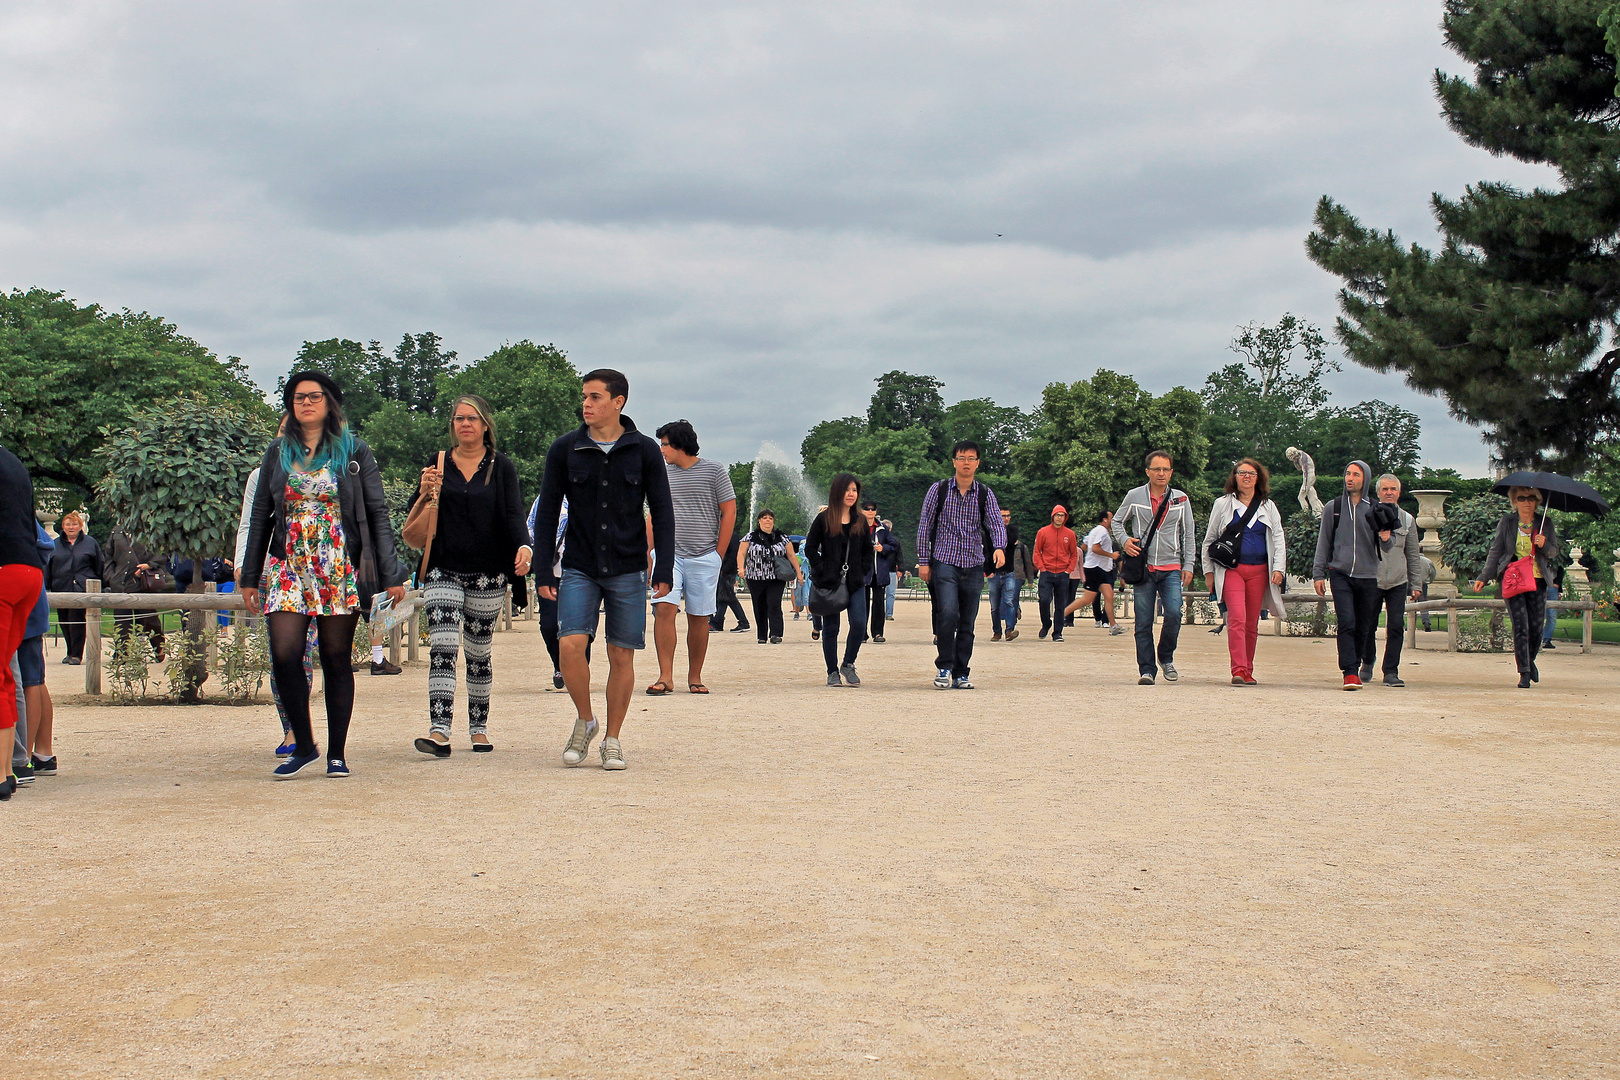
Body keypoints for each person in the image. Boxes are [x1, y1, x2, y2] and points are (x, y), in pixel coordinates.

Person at [240, 371, 407, 780]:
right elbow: (261, 512)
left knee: (335, 658)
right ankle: (304, 743)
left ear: (330, 403)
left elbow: (377, 514)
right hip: (287, 565)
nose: (306, 404)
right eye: (298, 398)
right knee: (283, 654)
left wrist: (390, 573)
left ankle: (337, 753)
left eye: (314, 397)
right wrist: (248, 574)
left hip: (337, 565)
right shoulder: (277, 451)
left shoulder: (354, 452)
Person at [533, 369, 675, 771]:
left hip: (629, 566)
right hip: (578, 564)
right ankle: (585, 719)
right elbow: (546, 513)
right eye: (584, 397)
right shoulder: (564, 449)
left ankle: (612, 739)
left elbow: (662, 512)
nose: (586, 404)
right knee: (569, 646)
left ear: (619, 402)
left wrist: (662, 564)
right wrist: (544, 569)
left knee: (620, 655)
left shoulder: (645, 450)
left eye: (595, 397)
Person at [409, 394, 532, 757]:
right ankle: (440, 730)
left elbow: (513, 513)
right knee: (443, 649)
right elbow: (416, 513)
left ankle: (478, 726)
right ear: (453, 425)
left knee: (478, 652)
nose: (466, 424)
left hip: (488, 573)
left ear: (485, 425)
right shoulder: (438, 462)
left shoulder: (501, 466)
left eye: (473, 419)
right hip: (442, 569)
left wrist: (524, 547)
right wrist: (425, 490)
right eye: (460, 419)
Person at [648, 420, 734, 696]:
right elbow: (652, 515)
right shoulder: (660, 473)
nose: (661, 450)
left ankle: (695, 676)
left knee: (699, 617)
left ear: (679, 444)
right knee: (664, 608)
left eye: (664, 444)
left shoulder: (714, 470)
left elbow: (729, 512)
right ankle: (665, 676)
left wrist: (718, 555)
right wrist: (649, 552)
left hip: (703, 555)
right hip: (668, 554)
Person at [236, 461, 317, 756]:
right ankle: (292, 729)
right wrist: (244, 566)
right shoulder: (262, 474)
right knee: (283, 655)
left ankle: (301, 731)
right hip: (278, 572)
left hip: (321, 572)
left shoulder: (331, 468)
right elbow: (251, 522)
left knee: (305, 652)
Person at [917, 441, 1007, 689]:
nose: (966, 462)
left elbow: (996, 523)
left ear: (978, 463)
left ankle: (961, 672)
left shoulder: (985, 494)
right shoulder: (939, 490)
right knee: (946, 614)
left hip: (973, 563)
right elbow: (925, 526)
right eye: (961, 457)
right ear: (954, 461)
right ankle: (944, 666)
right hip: (945, 560)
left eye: (971, 458)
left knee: (967, 620)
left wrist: (999, 546)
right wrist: (924, 561)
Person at [1200, 459, 1287, 685]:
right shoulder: (1223, 504)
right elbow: (1209, 539)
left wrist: (1278, 568)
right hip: (1232, 570)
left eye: (1251, 473)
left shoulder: (1268, 506)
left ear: (1259, 478)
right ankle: (1238, 669)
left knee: (1251, 623)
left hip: (1260, 571)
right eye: (1241, 473)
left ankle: (1249, 669)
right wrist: (1208, 572)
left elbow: (1278, 538)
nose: (1246, 477)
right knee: (1236, 619)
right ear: (1234, 477)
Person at [1114, 450, 1198, 685]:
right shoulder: (1134, 495)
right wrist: (1125, 541)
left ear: (1171, 472)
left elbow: (1188, 533)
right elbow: (1117, 522)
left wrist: (1189, 564)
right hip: (1145, 567)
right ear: (1147, 471)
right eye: (1156, 469)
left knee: (1173, 613)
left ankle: (1166, 656)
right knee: (1143, 621)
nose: (1161, 473)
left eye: (1166, 469)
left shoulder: (1181, 499)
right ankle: (1146, 669)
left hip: (1171, 566)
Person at [1311, 459, 1390, 691]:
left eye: (1355, 474)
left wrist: (1387, 538)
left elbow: (1386, 546)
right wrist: (1318, 573)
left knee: (1364, 624)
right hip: (1340, 573)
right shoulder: (1333, 508)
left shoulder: (1376, 509)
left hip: (1368, 575)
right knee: (1347, 621)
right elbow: (1323, 542)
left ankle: (1358, 663)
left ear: (1364, 479)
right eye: (1347, 473)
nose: (1350, 478)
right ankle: (1350, 672)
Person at [1473, 486, 1562, 689]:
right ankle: (1524, 672)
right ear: (1515, 501)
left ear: (1537, 501)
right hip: (1513, 579)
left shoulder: (1545, 523)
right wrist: (1484, 576)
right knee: (1521, 625)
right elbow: (1496, 550)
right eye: (1521, 498)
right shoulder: (1508, 522)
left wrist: (1543, 544)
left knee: (1537, 628)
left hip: (1537, 580)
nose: (1526, 502)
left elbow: (1553, 552)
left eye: (1531, 498)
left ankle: (1529, 660)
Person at [0, 444, 47, 800]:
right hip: (28, 572)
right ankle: (10, 767)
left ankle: (6, 770)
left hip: (2, 571)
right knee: (6, 672)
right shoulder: (14, 461)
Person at [806, 474, 874, 686]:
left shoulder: (860, 520)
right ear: (837, 492)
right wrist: (821, 568)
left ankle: (848, 663)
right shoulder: (824, 519)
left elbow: (866, 550)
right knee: (831, 627)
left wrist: (862, 570)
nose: (851, 494)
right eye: (847, 490)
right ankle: (832, 671)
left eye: (854, 490)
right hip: (830, 581)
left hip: (854, 581)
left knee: (859, 624)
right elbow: (810, 547)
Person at [1367, 474, 1423, 687]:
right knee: (1368, 625)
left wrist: (1416, 583)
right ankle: (1367, 660)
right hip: (1372, 578)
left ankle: (1391, 671)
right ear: (1378, 492)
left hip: (1398, 581)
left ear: (1399, 492)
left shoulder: (1408, 520)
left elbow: (1413, 555)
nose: (1389, 492)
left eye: (1393, 489)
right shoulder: (1368, 515)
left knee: (1396, 626)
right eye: (1385, 489)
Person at [105, 524, 168, 663]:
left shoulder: (150, 528)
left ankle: (159, 647)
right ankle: (122, 652)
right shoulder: (116, 531)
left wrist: (149, 565)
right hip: (120, 582)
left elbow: (163, 554)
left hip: (142, 583)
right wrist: (111, 576)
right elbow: (109, 556)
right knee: (122, 621)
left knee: (149, 619)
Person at [737, 510, 802, 644]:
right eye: (764, 518)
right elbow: (741, 553)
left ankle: (776, 633)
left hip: (776, 576)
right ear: (759, 521)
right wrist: (740, 568)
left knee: (774, 603)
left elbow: (791, 555)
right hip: (755, 577)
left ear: (773, 521)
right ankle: (762, 634)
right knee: (759, 605)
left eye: (770, 518)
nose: (767, 520)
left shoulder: (782, 537)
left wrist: (798, 572)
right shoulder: (750, 537)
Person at [48, 510, 101, 666]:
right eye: (67, 524)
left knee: (76, 619)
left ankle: (77, 654)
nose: (71, 527)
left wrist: (101, 584)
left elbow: (99, 564)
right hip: (61, 586)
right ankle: (69, 651)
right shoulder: (55, 544)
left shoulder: (90, 543)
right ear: (63, 527)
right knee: (64, 620)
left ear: (80, 526)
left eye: (74, 524)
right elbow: (48, 565)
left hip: (82, 587)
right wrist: (47, 586)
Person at [1062, 509, 1125, 635]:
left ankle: (1113, 626)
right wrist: (1111, 555)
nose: (1113, 520)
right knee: (1087, 599)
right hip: (1095, 569)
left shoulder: (1096, 531)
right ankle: (1060, 615)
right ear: (1105, 519)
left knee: (1109, 596)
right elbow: (1095, 548)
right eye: (1111, 518)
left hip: (1102, 569)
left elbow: (1085, 546)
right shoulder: (1101, 531)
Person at [1032, 505, 1077, 641]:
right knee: (1044, 600)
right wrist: (1042, 567)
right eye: (1057, 515)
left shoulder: (1070, 534)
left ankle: (1057, 632)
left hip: (1063, 573)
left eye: (1062, 515)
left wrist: (1068, 569)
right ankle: (1046, 623)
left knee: (1060, 604)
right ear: (1052, 516)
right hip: (1047, 571)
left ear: (1065, 517)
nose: (1059, 518)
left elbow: (1074, 554)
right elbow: (1036, 552)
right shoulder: (1043, 532)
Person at [863, 500, 895, 643]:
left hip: (879, 571)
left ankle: (877, 633)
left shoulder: (883, 528)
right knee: (861, 604)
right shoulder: (856, 526)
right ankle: (861, 633)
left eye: (873, 509)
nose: (870, 511)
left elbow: (893, 545)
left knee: (878, 603)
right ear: (862, 510)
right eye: (867, 509)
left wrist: (883, 549)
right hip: (862, 571)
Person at [987, 507, 1021, 641]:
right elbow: (988, 552)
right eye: (1003, 516)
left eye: (1008, 516)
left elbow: (1010, 540)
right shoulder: (990, 532)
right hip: (994, 573)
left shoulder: (1012, 530)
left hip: (1008, 573)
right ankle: (997, 631)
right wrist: (988, 571)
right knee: (994, 606)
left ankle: (1009, 630)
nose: (1006, 518)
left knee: (1009, 602)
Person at [709, 529, 750, 634]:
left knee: (729, 597)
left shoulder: (732, 536)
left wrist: (724, 569)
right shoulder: (725, 534)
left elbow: (734, 555)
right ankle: (718, 622)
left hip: (726, 571)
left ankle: (743, 622)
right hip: (723, 569)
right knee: (723, 597)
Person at [1542, 559, 1566, 649]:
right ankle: (1539, 638)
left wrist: (1556, 584)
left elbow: (1560, 569)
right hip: (1541, 586)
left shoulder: (1557, 558)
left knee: (1551, 615)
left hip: (1552, 586)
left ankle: (1546, 639)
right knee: (1539, 614)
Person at [881, 519, 901, 622]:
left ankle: (889, 613)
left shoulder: (895, 542)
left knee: (890, 594)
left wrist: (900, 569)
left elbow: (899, 556)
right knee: (880, 594)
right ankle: (880, 614)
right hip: (880, 570)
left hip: (891, 570)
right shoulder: (877, 541)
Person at [1416, 554, 1437, 632]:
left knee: (1411, 604)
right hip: (1423, 584)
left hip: (1411, 583)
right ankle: (1426, 622)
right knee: (1423, 604)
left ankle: (1410, 624)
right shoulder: (1428, 561)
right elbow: (1433, 573)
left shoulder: (1409, 559)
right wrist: (1429, 581)